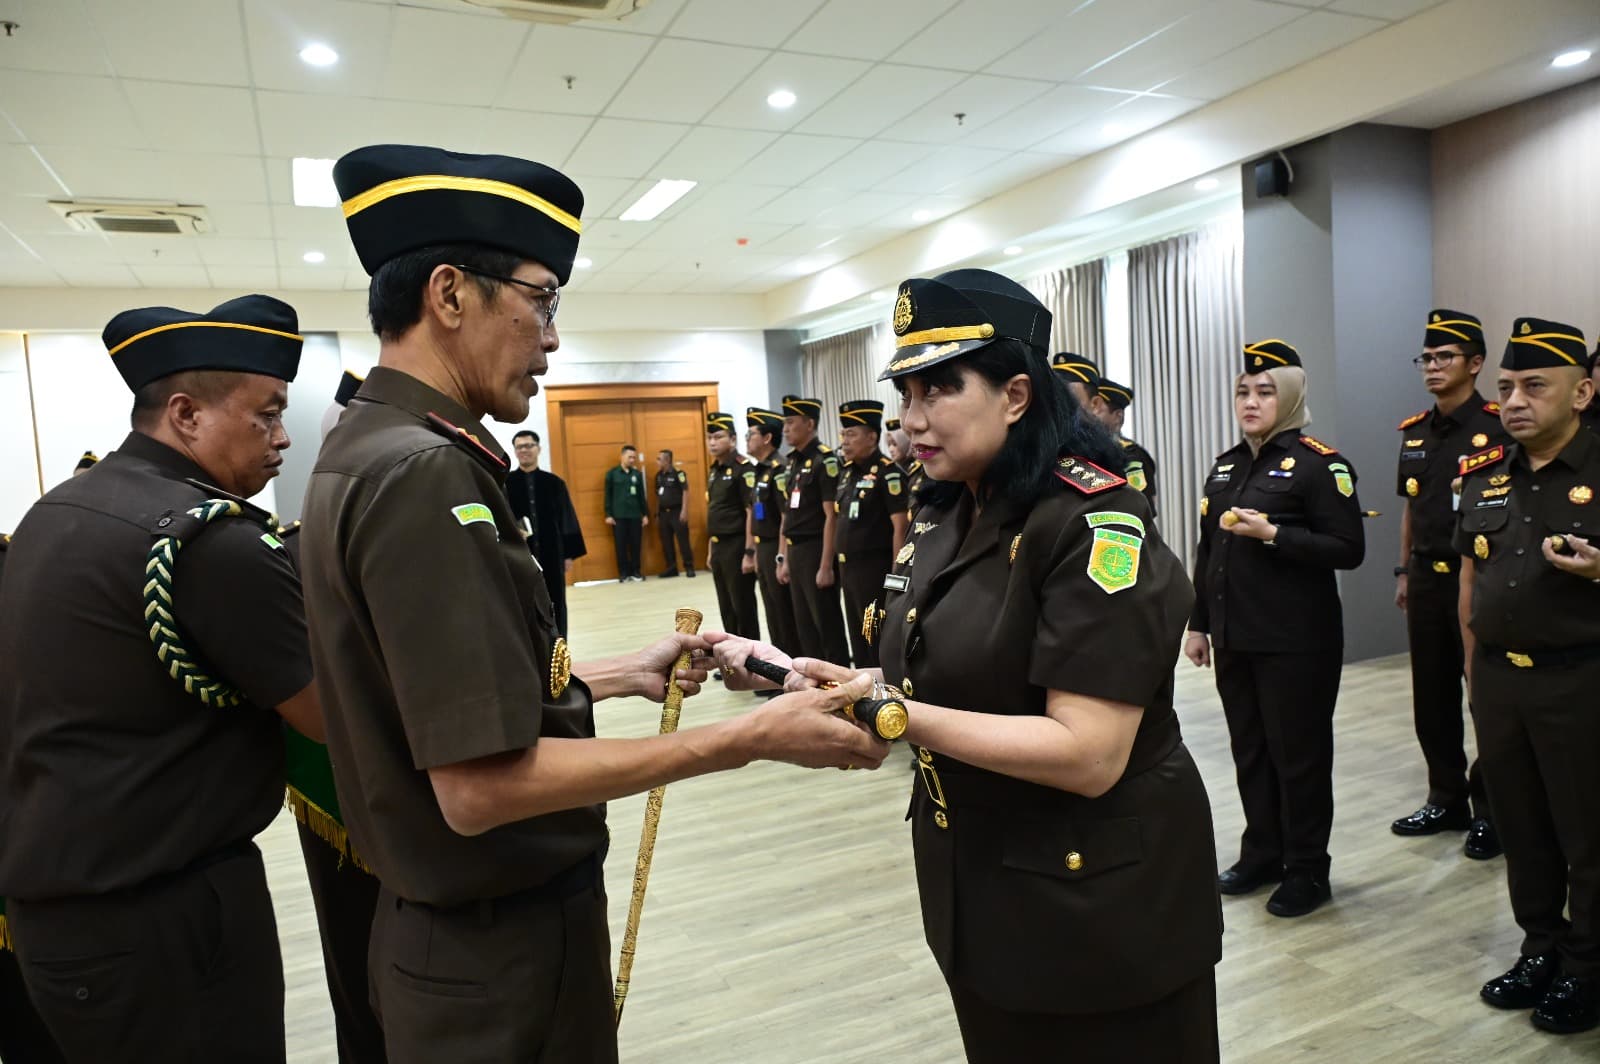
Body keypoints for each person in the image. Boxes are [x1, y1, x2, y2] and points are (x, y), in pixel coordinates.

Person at [300, 143, 890, 1064]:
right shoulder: (424, 475)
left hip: (454, 940)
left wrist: (618, 671)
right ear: (450, 295)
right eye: (541, 299)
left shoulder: (370, 445)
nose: (552, 336)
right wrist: (748, 740)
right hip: (494, 959)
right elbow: (480, 788)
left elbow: (436, 694)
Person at [712, 269, 1220, 1062]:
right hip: (981, 886)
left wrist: (891, 713)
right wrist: (822, 678)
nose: (911, 421)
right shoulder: (951, 510)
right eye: (905, 396)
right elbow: (940, 672)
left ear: (1016, 395)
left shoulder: (1092, 524)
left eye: (937, 393)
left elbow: (1088, 753)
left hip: (1097, 907)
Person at [0, 295, 323, 1063]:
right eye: (266, 415)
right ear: (185, 413)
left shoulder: (60, 508)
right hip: (163, 919)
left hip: (63, 912)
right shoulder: (211, 543)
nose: (282, 438)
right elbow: (334, 716)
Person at [1184, 339, 1365, 918]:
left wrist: (1276, 536)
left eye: (1265, 392)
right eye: (1243, 391)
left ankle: (1308, 869)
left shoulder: (1320, 464)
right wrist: (1197, 624)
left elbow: (1348, 548)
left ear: (1289, 396)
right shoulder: (1227, 465)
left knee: (1299, 757)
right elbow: (1207, 548)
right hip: (1237, 637)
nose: (1251, 401)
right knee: (1251, 752)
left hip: (1296, 642)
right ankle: (1262, 852)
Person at [1458, 316, 1600, 1035]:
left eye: (1534, 386)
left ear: (1582, 392)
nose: (1514, 400)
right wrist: (1472, 677)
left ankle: (1587, 968)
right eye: (1507, 385)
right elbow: (1471, 579)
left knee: (1585, 834)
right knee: (1521, 826)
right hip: (1499, 683)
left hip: (1581, 681)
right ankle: (1539, 948)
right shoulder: (1484, 476)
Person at [1389, 310, 1505, 859]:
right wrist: (1402, 569)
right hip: (1428, 580)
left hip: (1479, 580)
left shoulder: (1500, 427)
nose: (1432, 368)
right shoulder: (1415, 433)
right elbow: (1412, 506)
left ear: (1475, 364)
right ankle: (1446, 797)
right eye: (1426, 359)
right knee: (1431, 696)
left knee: (1483, 695)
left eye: (1445, 358)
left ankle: (1493, 809)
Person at [834, 399, 908, 668]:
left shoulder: (888, 474)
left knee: (874, 635)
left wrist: (895, 578)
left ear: (872, 437)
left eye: (851, 434)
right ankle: (861, 689)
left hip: (873, 570)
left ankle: (880, 693)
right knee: (857, 634)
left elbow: (900, 528)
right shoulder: (848, 473)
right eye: (843, 434)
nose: (845, 441)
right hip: (848, 568)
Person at [777, 395, 850, 665]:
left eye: (791, 422)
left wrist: (826, 565)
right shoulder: (793, 462)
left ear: (809, 424)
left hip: (816, 548)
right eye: (784, 423)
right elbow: (788, 514)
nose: (785, 429)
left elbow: (831, 516)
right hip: (796, 552)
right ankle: (814, 689)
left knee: (826, 625)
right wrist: (783, 558)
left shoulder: (825, 460)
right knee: (804, 625)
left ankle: (841, 687)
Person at [506, 430, 587, 636]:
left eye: (529, 445)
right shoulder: (506, 484)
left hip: (552, 554)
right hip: (521, 556)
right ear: (515, 451)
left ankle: (559, 649)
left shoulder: (554, 483)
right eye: (520, 447)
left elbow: (566, 518)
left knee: (555, 601)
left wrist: (568, 554)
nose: (524, 450)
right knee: (523, 604)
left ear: (538, 449)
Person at [746, 407, 798, 659]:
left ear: (767, 438)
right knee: (772, 613)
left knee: (783, 613)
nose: (747, 439)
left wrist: (781, 556)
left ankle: (788, 668)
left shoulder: (780, 469)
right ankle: (776, 670)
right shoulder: (760, 469)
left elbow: (785, 517)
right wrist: (754, 551)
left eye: (751, 434)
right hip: (763, 546)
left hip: (777, 546)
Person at [703, 412, 760, 640]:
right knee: (726, 605)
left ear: (733, 439)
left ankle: (751, 661)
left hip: (737, 546)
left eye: (718, 437)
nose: (712, 442)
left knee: (742, 606)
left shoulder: (743, 468)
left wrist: (749, 552)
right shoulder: (714, 470)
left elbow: (750, 512)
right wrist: (710, 549)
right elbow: (714, 511)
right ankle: (731, 658)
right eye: (709, 438)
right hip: (718, 546)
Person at [1098, 378, 1158, 517]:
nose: (1093, 413)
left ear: (1118, 416)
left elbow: (1143, 507)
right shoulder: (1090, 452)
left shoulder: (1132, 455)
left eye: (1099, 409)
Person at [604, 444, 647, 582]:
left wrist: (645, 514)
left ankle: (636, 571)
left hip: (635, 515)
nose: (632, 460)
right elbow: (607, 495)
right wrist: (608, 514)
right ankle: (623, 572)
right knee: (620, 545)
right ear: (622, 457)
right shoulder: (612, 474)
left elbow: (641, 496)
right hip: (619, 516)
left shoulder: (637, 474)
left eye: (634, 457)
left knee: (636, 545)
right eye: (630, 457)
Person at [653, 448, 694, 578]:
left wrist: (684, 511)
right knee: (666, 543)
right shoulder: (658, 476)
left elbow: (686, 491)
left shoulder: (679, 473)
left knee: (683, 541)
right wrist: (658, 514)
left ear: (667, 460)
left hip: (677, 512)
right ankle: (671, 568)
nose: (657, 461)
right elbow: (658, 495)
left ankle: (689, 567)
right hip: (664, 514)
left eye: (659, 459)